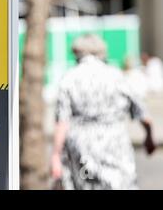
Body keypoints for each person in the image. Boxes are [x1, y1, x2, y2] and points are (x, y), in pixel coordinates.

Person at [51, 34, 155, 190]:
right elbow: (144, 114)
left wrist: (55, 156)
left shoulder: (69, 78)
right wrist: (149, 138)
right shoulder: (116, 76)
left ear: (77, 52)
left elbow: (62, 122)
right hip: (115, 143)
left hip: (81, 146)